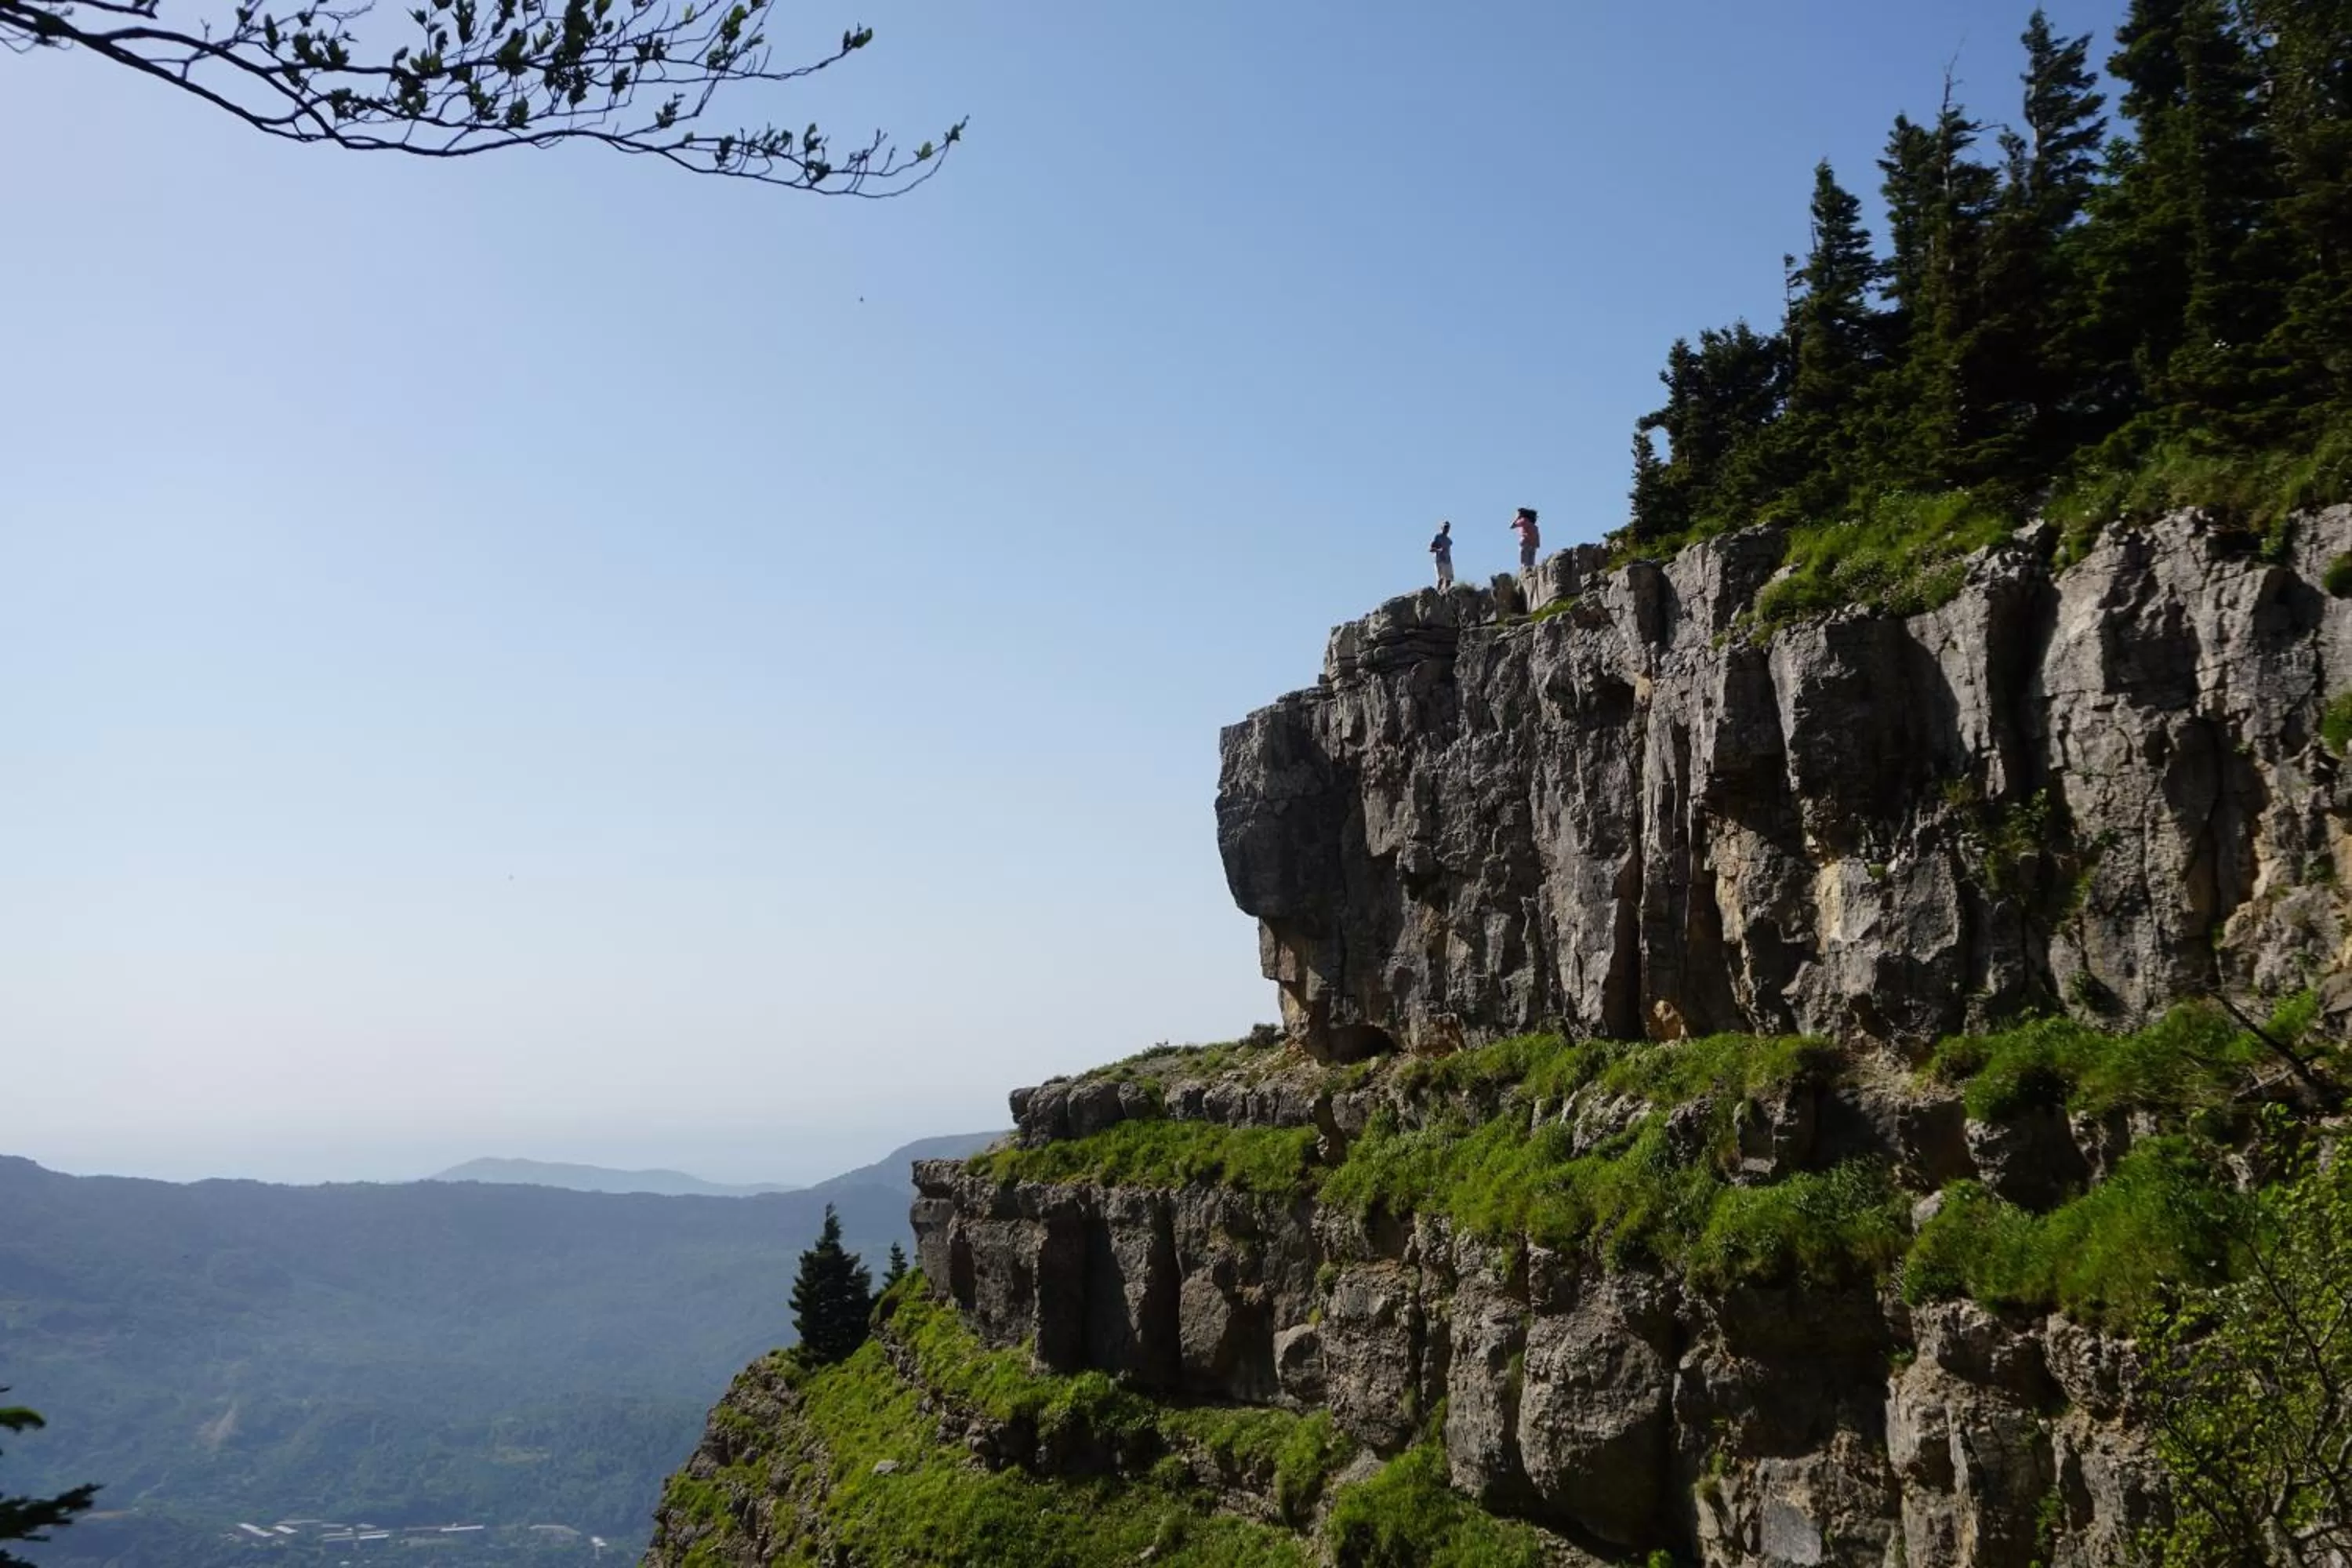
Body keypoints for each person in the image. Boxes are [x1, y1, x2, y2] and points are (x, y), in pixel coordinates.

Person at [1512, 507, 1541, 573]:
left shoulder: (1523, 520)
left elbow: (1512, 526)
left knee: (1524, 563)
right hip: (1533, 545)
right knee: (1531, 564)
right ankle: (1531, 576)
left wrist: (1517, 518)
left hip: (1525, 543)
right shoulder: (1533, 525)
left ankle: (1525, 576)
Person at [1429, 520, 1455, 589]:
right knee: (1441, 579)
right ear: (1442, 528)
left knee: (1449, 580)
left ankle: (1446, 594)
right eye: (1445, 527)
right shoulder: (1438, 537)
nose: (1446, 529)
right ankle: (1438, 594)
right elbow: (1431, 549)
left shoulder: (1449, 541)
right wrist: (1438, 550)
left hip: (1447, 561)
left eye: (1448, 527)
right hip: (1440, 560)